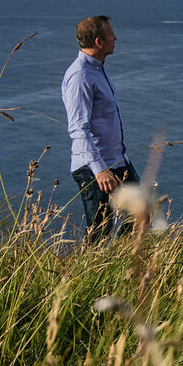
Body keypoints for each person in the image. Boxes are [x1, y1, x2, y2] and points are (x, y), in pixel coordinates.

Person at [61, 15, 140, 243]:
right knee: (99, 232)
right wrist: (99, 170)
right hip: (95, 167)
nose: (115, 38)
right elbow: (78, 128)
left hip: (116, 161)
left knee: (140, 213)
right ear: (98, 42)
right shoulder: (80, 76)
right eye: (110, 35)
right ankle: (92, 273)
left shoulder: (96, 70)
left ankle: (121, 265)